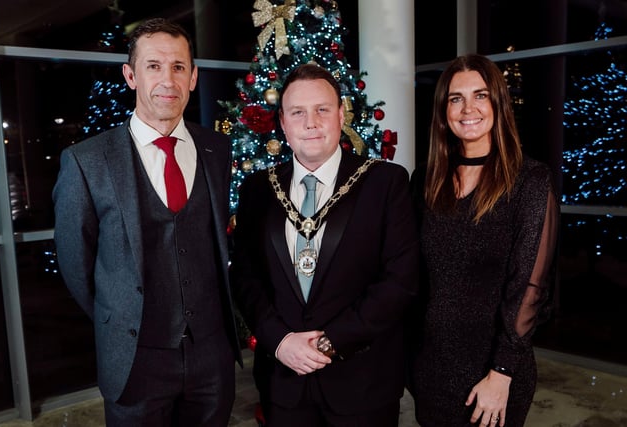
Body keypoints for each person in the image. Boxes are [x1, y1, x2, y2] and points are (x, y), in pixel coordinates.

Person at [52, 18, 242, 427]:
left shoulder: (216, 148)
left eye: (178, 67)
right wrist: (120, 317)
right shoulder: (86, 161)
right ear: (130, 75)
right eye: (154, 66)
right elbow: (75, 266)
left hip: (211, 355)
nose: (167, 79)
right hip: (135, 359)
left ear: (193, 77)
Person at [229, 63, 418, 427]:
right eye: (298, 112)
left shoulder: (384, 183)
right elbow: (246, 277)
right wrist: (280, 341)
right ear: (283, 123)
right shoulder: (258, 190)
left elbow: (400, 281)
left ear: (341, 114)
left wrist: (330, 344)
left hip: (363, 382)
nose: (310, 122)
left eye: (322, 109)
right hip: (284, 383)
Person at [406, 53, 560, 427]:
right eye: (455, 98)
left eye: (480, 95)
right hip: (431, 369)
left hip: (494, 375)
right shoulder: (425, 180)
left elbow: (530, 287)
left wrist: (503, 370)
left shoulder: (530, 181)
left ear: (498, 104)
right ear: (443, 110)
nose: (467, 108)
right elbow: (413, 278)